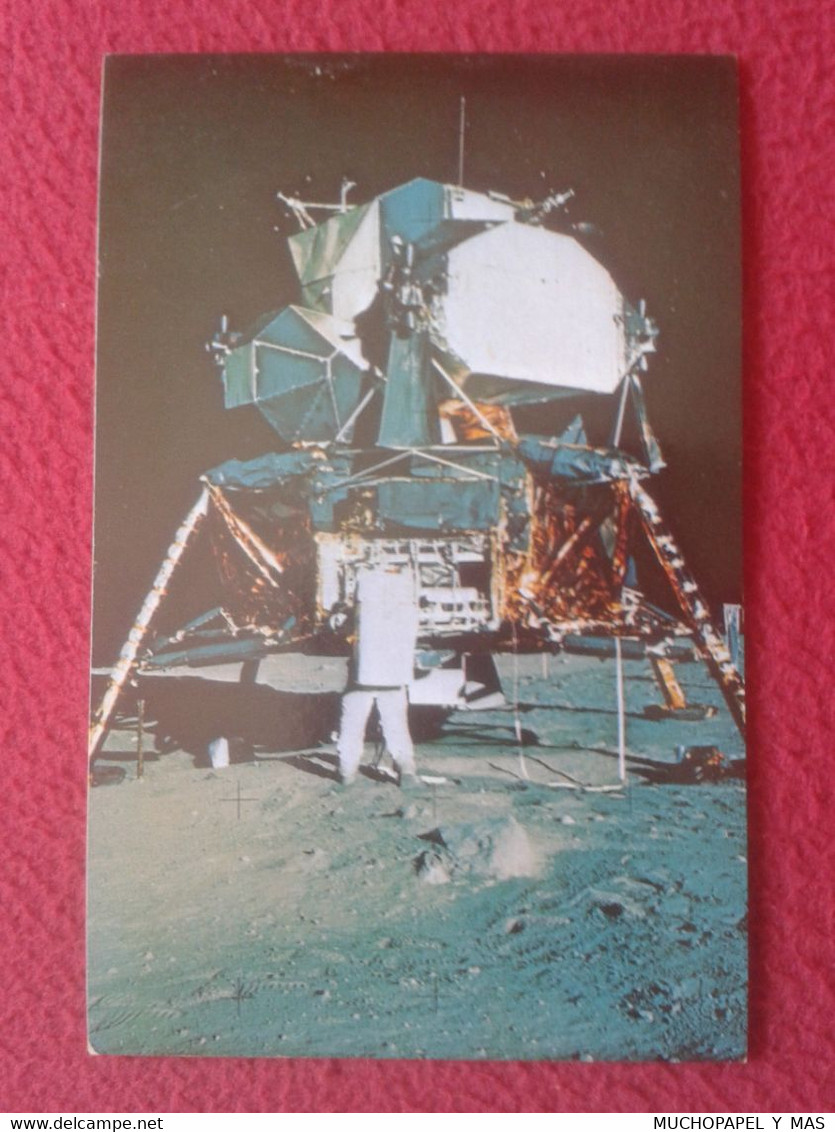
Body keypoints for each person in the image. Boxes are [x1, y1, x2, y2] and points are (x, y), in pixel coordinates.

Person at [336, 560, 420, 788]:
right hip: (394, 674)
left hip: (363, 675)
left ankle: (347, 772)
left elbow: (343, 627)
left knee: (352, 722)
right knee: (396, 723)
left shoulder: (362, 595)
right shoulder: (407, 598)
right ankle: (407, 770)